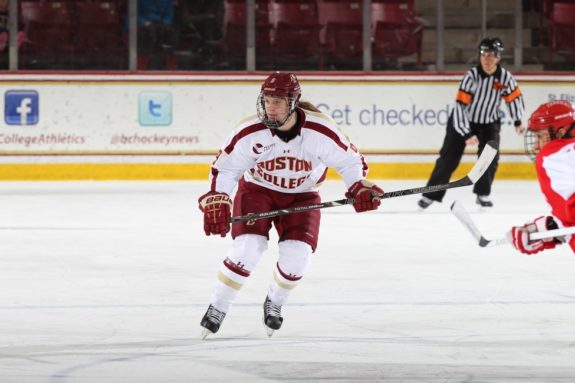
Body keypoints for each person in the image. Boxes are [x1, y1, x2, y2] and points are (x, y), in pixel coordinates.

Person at [197, 72, 384, 338]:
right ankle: (218, 306)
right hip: (258, 191)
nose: (270, 107)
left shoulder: (320, 131)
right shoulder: (250, 132)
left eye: (278, 101)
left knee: (298, 258)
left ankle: (274, 302)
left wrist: (357, 186)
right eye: (267, 100)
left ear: (293, 103)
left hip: (304, 196)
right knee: (248, 248)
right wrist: (219, 196)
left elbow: (350, 161)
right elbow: (225, 168)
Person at [418, 37, 525, 209]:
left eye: (491, 55)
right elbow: (460, 107)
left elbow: (514, 99)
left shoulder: (505, 78)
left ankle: (482, 193)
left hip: (489, 123)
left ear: (498, 57)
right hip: (463, 121)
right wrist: (466, 133)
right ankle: (431, 194)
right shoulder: (471, 77)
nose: (487, 59)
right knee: (448, 159)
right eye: (484, 54)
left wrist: (517, 120)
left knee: (489, 158)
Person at [508, 100, 575, 255]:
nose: (536, 145)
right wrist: (549, 229)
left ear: (560, 133)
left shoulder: (552, 154)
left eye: (540, 136)